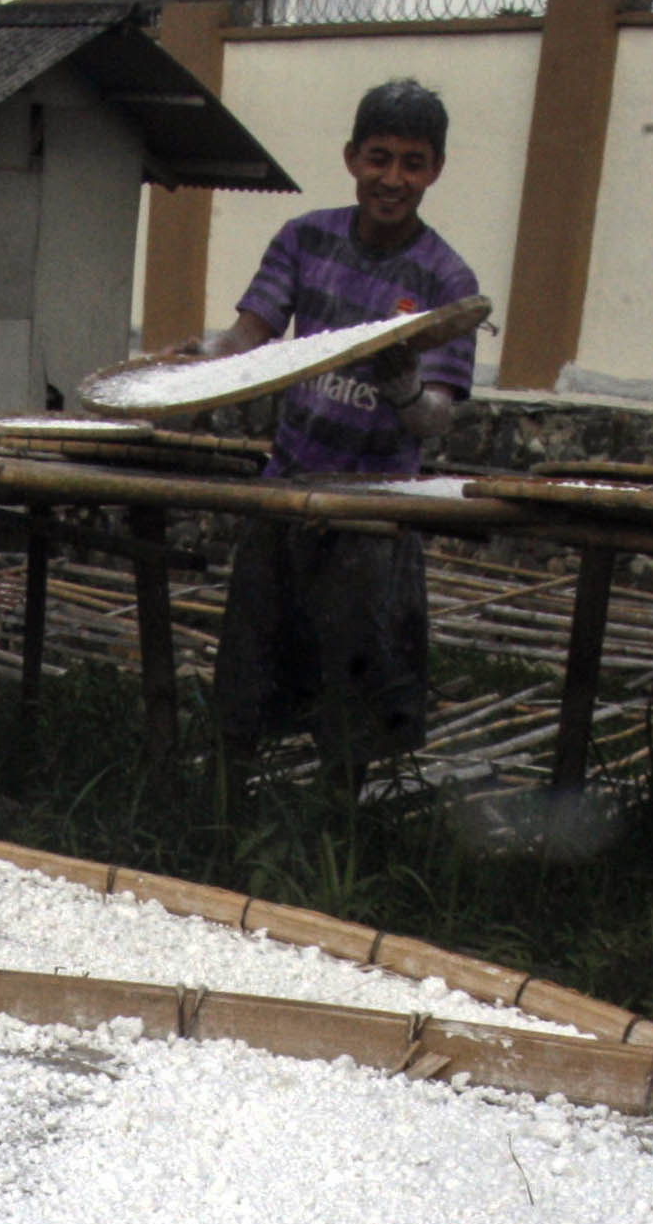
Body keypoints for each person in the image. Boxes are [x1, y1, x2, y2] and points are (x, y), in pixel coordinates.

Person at [176, 80, 478, 784]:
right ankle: (220, 818)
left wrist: (402, 383)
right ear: (351, 158)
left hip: (372, 518)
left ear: (434, 169)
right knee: (247, 680)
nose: (392, 179)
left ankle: (336, 839)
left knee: (354, 704)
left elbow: (437, 415)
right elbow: (247, 338)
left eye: (411, 163)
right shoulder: (304, 237)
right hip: (284, 494)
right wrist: (190, 363)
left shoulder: (447, 279)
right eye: (378, 159)